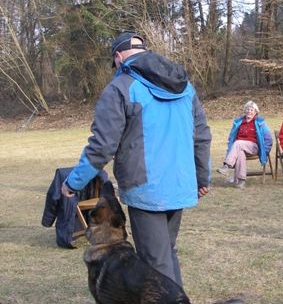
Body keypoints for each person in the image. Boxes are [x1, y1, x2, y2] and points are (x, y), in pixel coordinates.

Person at [61, 31, 211, 288]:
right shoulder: (185, 86)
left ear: (118, 57)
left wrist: (73, 182)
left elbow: (102, 146)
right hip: (180, 182)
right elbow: (201, 136)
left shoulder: (120, 88)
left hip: (146, 189)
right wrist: (201, 177)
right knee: (166, 253)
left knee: (155, 261)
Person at [217, 100, 272, 189]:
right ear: (244, 110)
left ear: (255, 112)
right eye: (247, 109)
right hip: (239, 148)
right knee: (240, 154)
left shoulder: (260, 122)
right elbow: (231, 137)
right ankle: (241, 181)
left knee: (238, 143)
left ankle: (227, 165)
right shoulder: (238, 122)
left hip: (254, 147)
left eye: (251, 110)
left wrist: (264, 151)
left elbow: (268, 138)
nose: (249, 111)